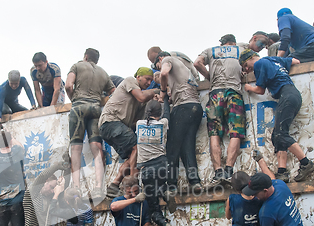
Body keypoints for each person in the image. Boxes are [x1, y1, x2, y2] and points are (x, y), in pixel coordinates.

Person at [240, 49, 314, 182]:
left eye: (246, 65)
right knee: (277, 135)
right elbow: (295, 61)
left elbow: (260, 90)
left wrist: (248, 88)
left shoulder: (260, 64)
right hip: (292, 95)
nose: (247, 69)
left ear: (252, 57)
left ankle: (305, 163)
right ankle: (282, 172)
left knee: (281, 134)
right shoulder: (273, 59)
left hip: (286, 95)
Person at [194, 35, 246, 187]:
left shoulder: (210, 50)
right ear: (233, 43)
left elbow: (197, 63)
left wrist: (210, 76)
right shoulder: (240, 49)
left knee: (214, 133)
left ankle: (218, 173)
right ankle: (229, 172)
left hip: (216, 93)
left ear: (221, 44)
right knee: (235, 132)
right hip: (233, 92)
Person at [98, 67, 159, 198]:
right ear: (139, 77)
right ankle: (133, 184)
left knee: (132, 156)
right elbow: (142, 97)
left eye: (151, 81)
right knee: (137, 147)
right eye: (147, 79)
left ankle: (114, 185)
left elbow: (135, 122)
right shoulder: (130, 81)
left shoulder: (139, 102)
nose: (149, 83)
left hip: (113, 127)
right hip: (110, 122)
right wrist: (156, 90)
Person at [65, 48, 115, 197]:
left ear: (85, 57)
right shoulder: (103, 72)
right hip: (95, 108)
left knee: (76, 148)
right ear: (96, 60)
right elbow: (114, 91)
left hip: (79, 107)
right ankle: (99, 188)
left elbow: (68, 85)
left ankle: (76, 187)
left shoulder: (77, 66)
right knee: (96, 147)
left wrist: (73, 98)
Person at [154, 52, 203, 194]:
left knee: (172, 147)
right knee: (187, 146)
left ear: (160, 59)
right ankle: (194, 181)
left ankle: (171, 184)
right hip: (195, 107)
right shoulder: (185, 67)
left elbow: (163, 73)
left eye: (157, 65)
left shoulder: (168, 59)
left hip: (182, 107)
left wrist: (162, 92)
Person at [136, 100, 178, 226]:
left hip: (146, 170)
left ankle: (164, 223)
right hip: (162, 165)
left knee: (154, 209)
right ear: (158, 114)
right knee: (160, 184)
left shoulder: (139, 124)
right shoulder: (163, 124)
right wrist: (164, 99)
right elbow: (167, 113)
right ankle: (166, 193)